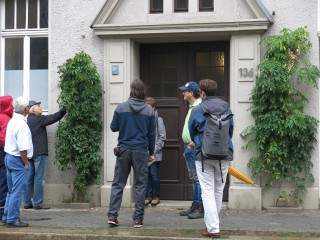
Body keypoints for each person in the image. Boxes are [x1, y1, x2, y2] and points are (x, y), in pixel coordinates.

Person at [107, 79, 156, 228]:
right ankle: (138, 219)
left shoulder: (121, 107)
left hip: (123, 150)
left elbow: (113, 127)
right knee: (141, 185)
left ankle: (112, 216)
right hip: (140, 151)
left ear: (131, 90)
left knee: (118, 184)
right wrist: (151, 152)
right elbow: (152, 135)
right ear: (143, 92)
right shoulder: (149, 111)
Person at [189, 79, 234, 238]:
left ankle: (213, 228)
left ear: (202, 92)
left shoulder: (198, 109)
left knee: (207, 192)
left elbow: (191, 130)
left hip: (203, 155)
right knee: (218, 190)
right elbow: (230, 130)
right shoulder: (227, 108)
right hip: (224, 154)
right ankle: (213, 225)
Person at [23, 100, 66, 210]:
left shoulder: (28, 120)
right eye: (38, 106)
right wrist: (64, 110)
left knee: (29, 178)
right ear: (33, 109)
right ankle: (37, 203)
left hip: (30, 153)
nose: (41, 107)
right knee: (39, 178)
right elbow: (53, 118)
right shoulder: (39, 119)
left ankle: (27, 202)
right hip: (40, 153)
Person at [3, 96, 33, 227]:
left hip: (9, 157)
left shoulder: (13, 120)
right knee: (17, 191)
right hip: (17, 160)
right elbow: (23, 149)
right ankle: (12, 219)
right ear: (26, 109)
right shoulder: (22, 125)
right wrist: (26, 163)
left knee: (11, 190)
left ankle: (7, 216)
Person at [178, 81, 204, 219]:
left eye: (185, 91)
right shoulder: (192, 106)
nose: (183, 93)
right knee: (194, 178)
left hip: (194, 146)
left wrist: (193, 143)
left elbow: (202, 128)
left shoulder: (199, 106)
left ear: (191, 93)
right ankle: (195, 205)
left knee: (198, 179)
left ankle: (200, 207)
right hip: (189, 147)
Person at [144, 97, 166, 207]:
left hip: (155, 154)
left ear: (153, 108)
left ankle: (156, 196)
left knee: (154, 175)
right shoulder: (144, 119)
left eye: (149, 107)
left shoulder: (158, 120)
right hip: (144, 153)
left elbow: (162, 137)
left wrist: (153, 150)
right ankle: (148, 196)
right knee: (146, 175)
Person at [0, 96, 13, 224]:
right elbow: (4, 138)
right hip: (2, 152)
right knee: (3, 182)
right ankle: (1, 212)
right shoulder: (5, 119)